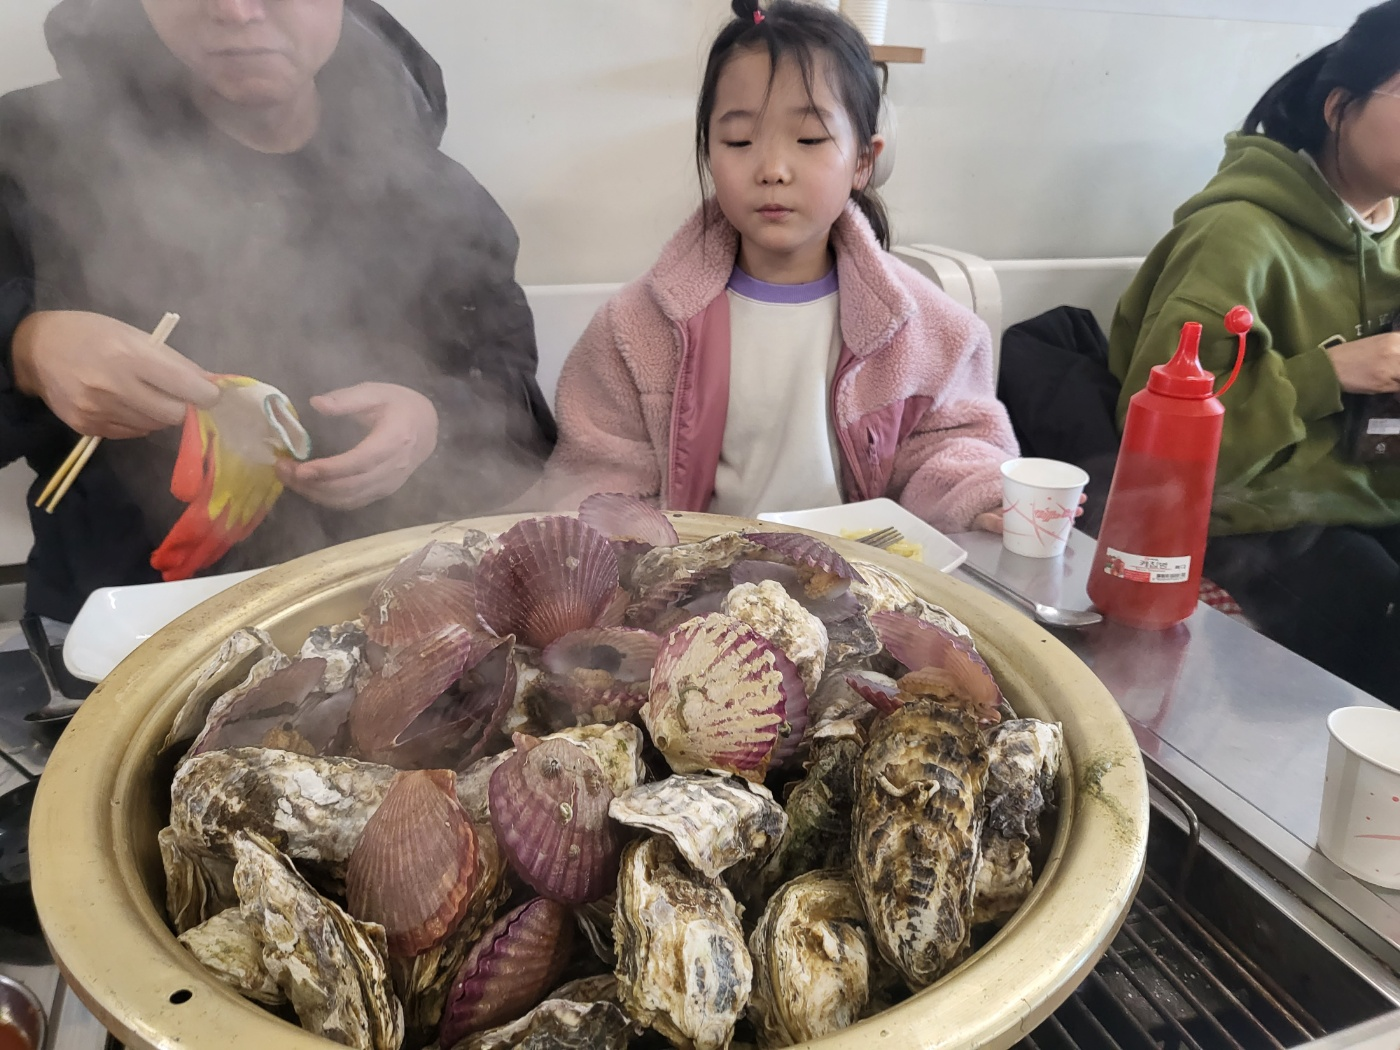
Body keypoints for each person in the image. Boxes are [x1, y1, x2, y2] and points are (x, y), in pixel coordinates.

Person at [0, 0, 555, 622]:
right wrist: (28, 348)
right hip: (119, 622)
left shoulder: (434, 190)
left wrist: (435, 421)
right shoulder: (32, 152)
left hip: (396, 613)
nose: (237, 11)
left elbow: (514, 400)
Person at [540, 0, 1016, 534]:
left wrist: (979, 494)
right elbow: (595, 482)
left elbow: (953, 450)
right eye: (739, 141)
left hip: (858, 590)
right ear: (708, 153)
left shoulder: (930, 331)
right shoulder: (634, 329)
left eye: (809, 139)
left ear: (864, 159)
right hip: (696, 592)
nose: (771, 169)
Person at [1107, 0, 1400, 701]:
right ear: (1339, 106)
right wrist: (1325, 375)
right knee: (1377, 598)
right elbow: (1158, 447)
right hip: (1258, 519)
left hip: (1372, 498)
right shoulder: (1236, 238)